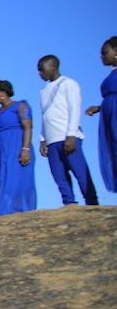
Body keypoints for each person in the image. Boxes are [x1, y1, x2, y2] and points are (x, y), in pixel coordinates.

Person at [38, 56, 99, 206]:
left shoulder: (69, 84)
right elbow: (45, 115)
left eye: (42, 69)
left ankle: (92, 202)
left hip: (68, 136)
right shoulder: (43, 91)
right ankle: (69, 203)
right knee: (59, 175)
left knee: (80, 172)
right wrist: (42, 138)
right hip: (52, 140)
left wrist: (71, 134)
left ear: (52, 67)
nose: (40, 74)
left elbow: (75, 109)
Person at [0, 80, 37, 215]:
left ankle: (22, 211)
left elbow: (28, 127)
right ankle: (4, 212)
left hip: (16, 147)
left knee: (17, 180)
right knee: (1, 181)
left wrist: (25, 149)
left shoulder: (20, 106)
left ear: (3, 93)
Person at [86, 36, 117, 193]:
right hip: (109, 115)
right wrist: (99, 108)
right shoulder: (112, 73)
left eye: (105, 53)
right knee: (113, 149)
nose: (102, 57)